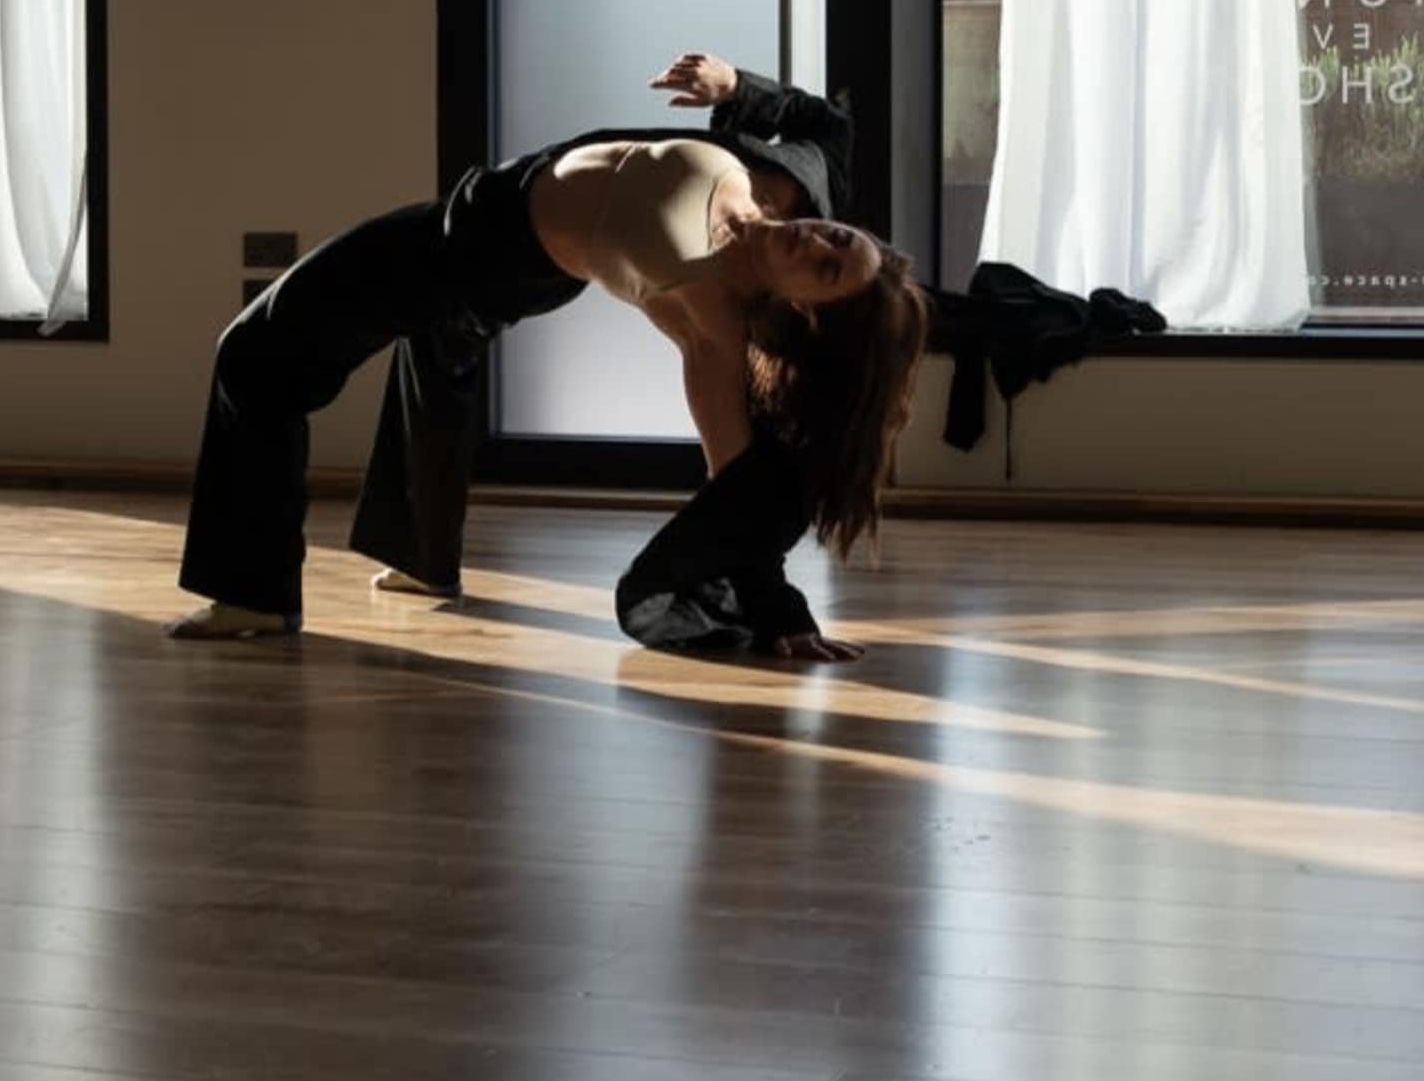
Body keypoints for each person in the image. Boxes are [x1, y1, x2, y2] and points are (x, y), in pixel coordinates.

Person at [171, 51, 928, 658]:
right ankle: (418, 555)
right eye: (843, 240)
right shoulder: (792, 189)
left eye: (827, 270)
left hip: (474, 249)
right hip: (511, 242)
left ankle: (252, 595)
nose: (820, 243)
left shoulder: (713, 321)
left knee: (255, 351)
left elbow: (735, 488)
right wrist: (735, 85)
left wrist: (775, 607)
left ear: (806, 311)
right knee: (441, 348)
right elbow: (826, 122)